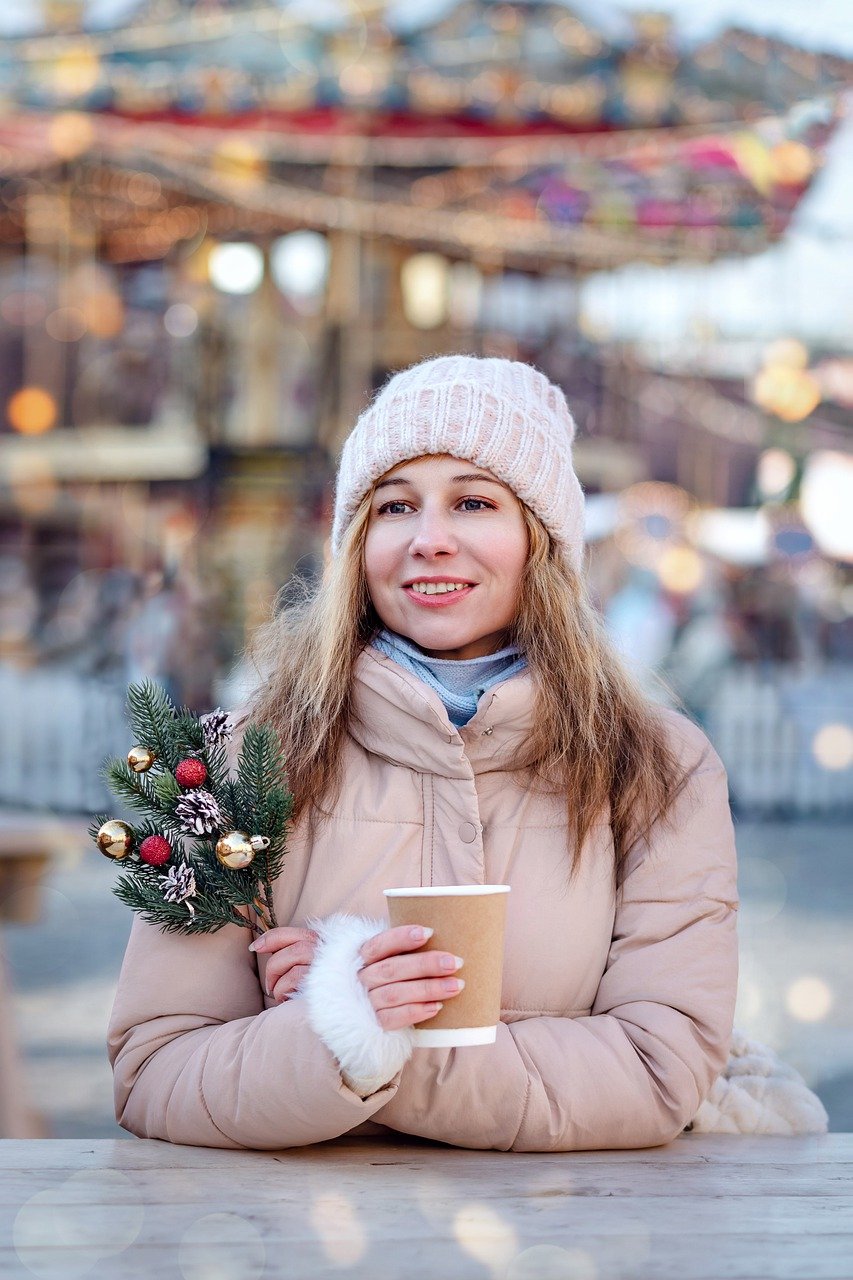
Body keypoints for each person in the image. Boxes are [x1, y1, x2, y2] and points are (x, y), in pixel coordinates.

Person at [108, 355, 740, 1151]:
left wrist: (362, 1031)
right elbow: (157, 1070)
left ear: (540, 541)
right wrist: (347, 1027)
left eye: (473, 503)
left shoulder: (656, 771)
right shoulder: (231, 769)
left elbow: (658, 1068)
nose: (429, 540)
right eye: (395, 507)